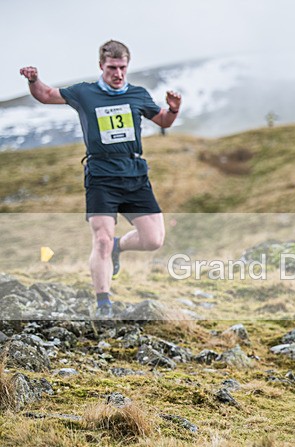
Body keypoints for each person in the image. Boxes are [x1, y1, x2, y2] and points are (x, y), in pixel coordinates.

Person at [19, 40, 181, 318]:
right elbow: (45, 95)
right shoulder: (84, 93)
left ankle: (120, 246)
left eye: (122, 68)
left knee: (154, 239)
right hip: (101, 176)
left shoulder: (138, 94)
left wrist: (174, 109)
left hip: (134, 174)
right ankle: (103, 303)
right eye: (112, 68)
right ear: (101, 66)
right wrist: (34, 80)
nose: (118, 74)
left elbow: (163, 121)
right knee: (102, 239)